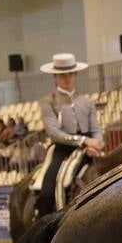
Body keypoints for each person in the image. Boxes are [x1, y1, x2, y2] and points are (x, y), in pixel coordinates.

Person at [30, 52, 105, 218]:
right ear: (55, 77)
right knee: (48, 189)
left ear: (75, 75)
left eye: (70, 74)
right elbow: (54, 133)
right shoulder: (47, 101)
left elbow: (96, 129)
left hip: (90, 150)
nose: (67, 78)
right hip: (62, 150)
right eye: (62, 75)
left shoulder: (86, 101)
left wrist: (97, 144)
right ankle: (44, 221)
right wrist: (84, 141)